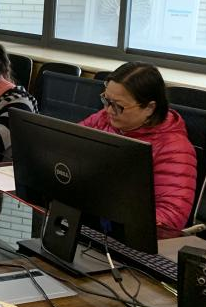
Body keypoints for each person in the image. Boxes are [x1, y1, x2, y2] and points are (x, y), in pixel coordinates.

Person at [79, 62, 196, 231]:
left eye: (118, 106)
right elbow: (67, 145)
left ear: (149, 108)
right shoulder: (104, 119)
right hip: (88, 218)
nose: (109, 110)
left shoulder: (174, 149)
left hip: (126, 234)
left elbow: (170, 218)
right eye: (106, 100)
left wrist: (118, 215)